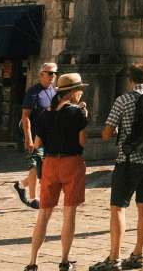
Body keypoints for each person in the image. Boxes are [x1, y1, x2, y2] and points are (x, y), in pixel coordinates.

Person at [92, 64, 143, 271]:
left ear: (130, 79)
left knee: (118, 208)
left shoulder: (123, 100)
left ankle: (114, 258)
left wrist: (120, 132)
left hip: (128, 161)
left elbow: (106, 133)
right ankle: (138, 255)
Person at [26, 73, 90, 271]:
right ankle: (64, 260)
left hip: (51, 164)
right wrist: (84, 118)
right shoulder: (78, 113)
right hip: (72, 163)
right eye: (79, 89)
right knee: (69, 213)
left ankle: (32, 262)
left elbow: (37, 144)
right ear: (71, 93)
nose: (81, 93)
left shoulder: (46, 114)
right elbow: (82, 142)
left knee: (44, 215)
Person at [16, 62, 59, 208]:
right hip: (35, 135)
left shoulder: (54, 92)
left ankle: (21, 185)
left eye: (55, 73)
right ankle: (34, 199)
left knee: (44, 169)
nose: (53, 76)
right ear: (41, 74)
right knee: (34, 166)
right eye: (50, 73)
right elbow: (25, 116)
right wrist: (28, 138)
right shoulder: (33, 92)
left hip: (50, 137)